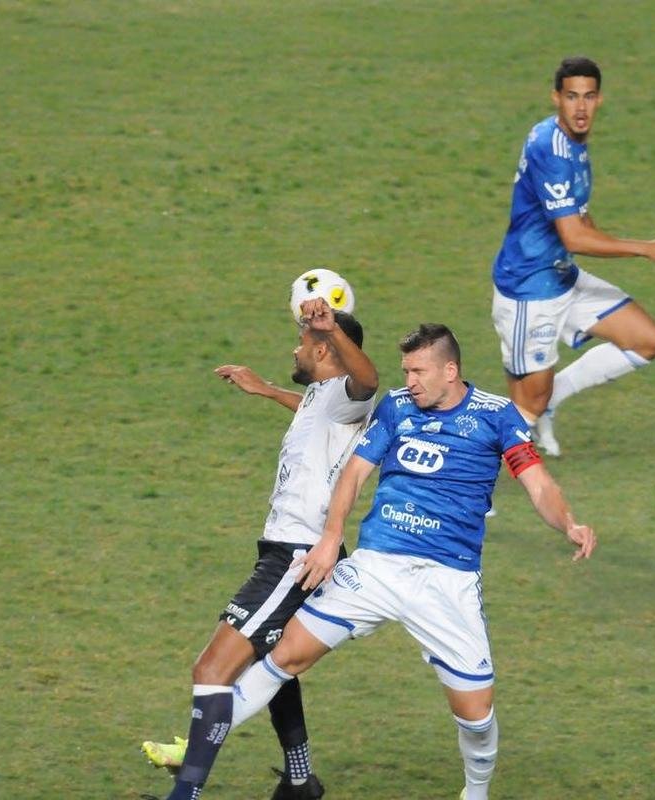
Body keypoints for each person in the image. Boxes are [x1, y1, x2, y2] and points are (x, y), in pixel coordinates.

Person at [151, 323, 597, 800]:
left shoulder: (496, 415)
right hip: (376, 567)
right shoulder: (396, 406)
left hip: (445, 580)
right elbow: (353, 474)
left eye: (418, 371)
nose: (409, 381)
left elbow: (538, 482)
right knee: (284, 655)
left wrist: (568, 523)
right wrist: (330, 539)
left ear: (450, 370)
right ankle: (194, 750)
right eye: (406, 370)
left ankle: (476, 790)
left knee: (476, 714)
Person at [140, 297, 378, 800]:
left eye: (301, 343)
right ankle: (299, 781)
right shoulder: (322, 398)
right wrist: (266, 390)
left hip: (296, 556)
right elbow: (314, 415)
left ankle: (185, 796)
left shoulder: (347, 393)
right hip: (287, 552)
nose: (294, 350)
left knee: (211, 669)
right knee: (271, 662)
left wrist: (332, 329)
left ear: (323, 348)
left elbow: (368, 381)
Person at [491, 56, 655, 456]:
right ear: (556, 98)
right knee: (524, 408)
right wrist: (643, 248)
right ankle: (466, 485)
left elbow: (578, 217)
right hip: (529, 290)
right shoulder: (552, 150)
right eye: (571, 97)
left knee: (646, 340)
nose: (581, 108)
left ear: (599, 100)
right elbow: (574, 235)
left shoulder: (571, 144)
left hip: (561, 276)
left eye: (589, 96)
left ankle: (553, 397)